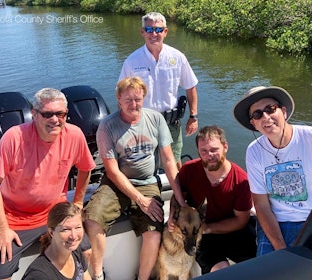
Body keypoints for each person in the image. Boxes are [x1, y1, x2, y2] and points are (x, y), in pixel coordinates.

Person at [0, 88, 96, 280]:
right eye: (47, 114)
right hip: (16, 218)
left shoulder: (75, 135)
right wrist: (2, 229)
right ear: (34, 115)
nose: (55, 119)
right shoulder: (14, 138)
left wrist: (77, 203)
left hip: (55, 213)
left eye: (60, 113)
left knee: (86, 251)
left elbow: (86, 168)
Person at [84, 76, 186, 280]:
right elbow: (112, 171)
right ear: (119, 99)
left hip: (147, 182)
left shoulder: (155, 119)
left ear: (144, 98)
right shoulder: (107, 126)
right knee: (93, 218)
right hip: (115, 184)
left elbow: (168, 160)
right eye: (128, 99)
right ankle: (97, 274)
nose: (133, 104)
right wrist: (140, 200)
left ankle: (142, 277)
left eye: (138, 99)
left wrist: (181, 200)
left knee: (154, 232)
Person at [233, 86, 312, 256]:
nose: (266, 117)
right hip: (279, 222)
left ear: (283, 112)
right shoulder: (254, 152)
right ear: (253, 123)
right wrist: (280, 247)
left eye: (270, 109)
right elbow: (261, 205)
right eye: (257, 114)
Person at [118, 11, 199, 169]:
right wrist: (123, 122)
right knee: (144, 164)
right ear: (142, 32)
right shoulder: (132, 61)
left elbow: (190, 87)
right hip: (142, 123)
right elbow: (121, 94)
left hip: (171, 123)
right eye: (149, 30)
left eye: (158, 30)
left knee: (174, 160)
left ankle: (179, 193)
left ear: (165, 32)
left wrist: (193, 116)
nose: (153, 34)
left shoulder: (178, 57)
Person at [176, 125, 256, 274]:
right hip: (202, 237)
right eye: (204, 151)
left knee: (257, 267)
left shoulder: (240, 180)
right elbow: (177, 196)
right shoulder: (188, 170)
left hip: (233, 230)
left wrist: (208, 228)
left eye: (214, 149)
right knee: (221, 271)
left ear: (225, 147)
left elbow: (241, 220)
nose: (209, 155)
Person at [22, 202, 92, 280]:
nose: (74, 236)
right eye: (66, 229)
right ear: (51, 232)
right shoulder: (39, 275)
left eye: (78, 228)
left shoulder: (75, 251)